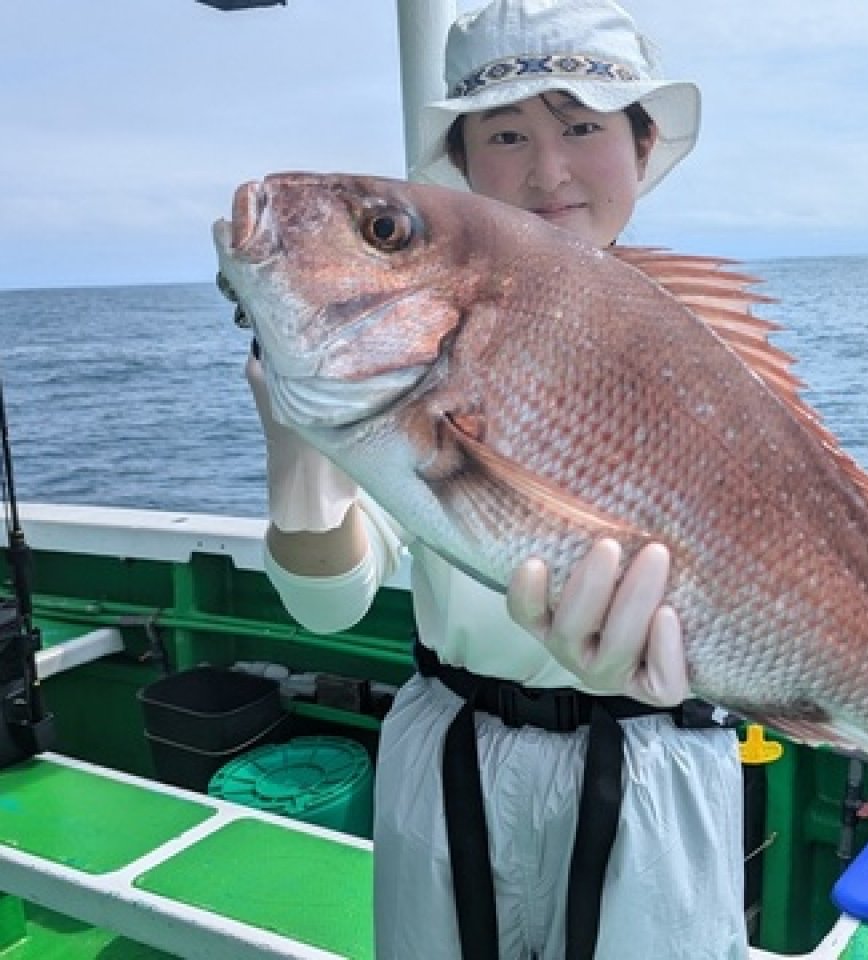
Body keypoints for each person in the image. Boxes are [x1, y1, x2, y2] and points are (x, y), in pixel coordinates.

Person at [245, 1, 748, 959]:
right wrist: (301, 451)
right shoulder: (403, 339)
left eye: (583, 128)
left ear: (641, 146)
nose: (548, 170)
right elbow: (327, 606)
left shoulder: (718, 350)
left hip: (658, 768)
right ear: (466, 164)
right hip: (449, 761)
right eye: (507, 133)